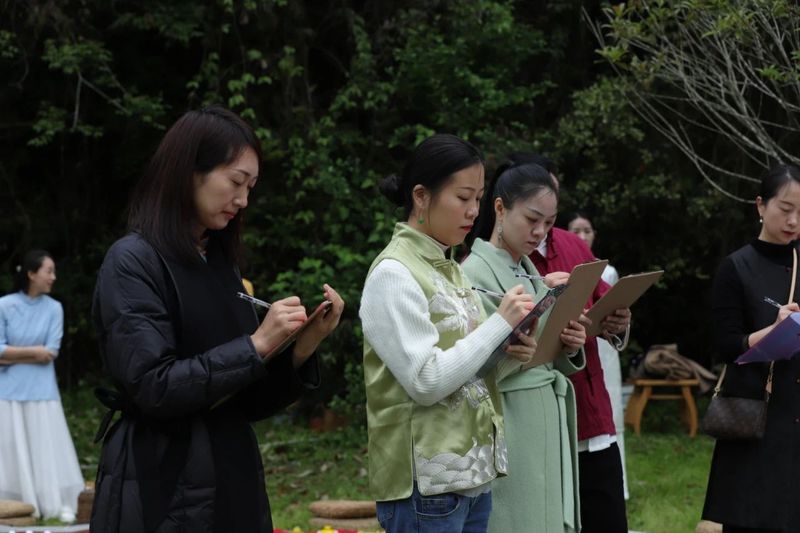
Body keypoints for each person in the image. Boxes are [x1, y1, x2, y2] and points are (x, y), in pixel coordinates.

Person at [90, 105, 344, 533]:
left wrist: (302, 346)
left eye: (251, 186)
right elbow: (154, 386)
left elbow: (245, 401)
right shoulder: (132, 261)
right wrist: (257, 345)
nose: (243, 199)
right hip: (162, 482)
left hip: (230, 475)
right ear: (189, 171)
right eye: (236, 182)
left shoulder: (218, 261)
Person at [360, 134, 538, 533]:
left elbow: (467, 375)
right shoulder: (393, 273)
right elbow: (425, 381)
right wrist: (499, 324)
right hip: (424, 486)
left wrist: (510, 352)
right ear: (421, 196)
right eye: (463, 197)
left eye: (478, 198)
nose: (474, 211)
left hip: (471, 477)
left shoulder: (451, 267)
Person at [462, 161, 587, 533]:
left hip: (543, 411)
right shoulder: (473, 272)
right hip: (509, 419)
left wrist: (569, 344)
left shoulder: (529, 268)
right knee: (515, 520)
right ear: (500, 208)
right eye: (532, 219)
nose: (540, 232)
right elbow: (470, 363)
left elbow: (542, 354)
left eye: (548, 223)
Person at [510, 153, 632, 532]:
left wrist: (618, 321)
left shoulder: (572, 244)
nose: (543, 226)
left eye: (552, 209)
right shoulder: (502, 259)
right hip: (544, 425)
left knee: (609, 520)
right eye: (535, 214)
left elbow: (606, 304)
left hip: (596, 415)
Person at [702, 163, 800, 532]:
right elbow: (725, 345)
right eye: (785, 209)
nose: (794, 220)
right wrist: (773, 331)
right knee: (753, 518)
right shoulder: (736, 267)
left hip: (796, 412)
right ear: (761, 205)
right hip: (757, 417)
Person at [0, 250, 84, 521]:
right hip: (9, 391)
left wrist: (13, 354)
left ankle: (53, 502)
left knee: (46, 446)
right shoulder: (4, 305)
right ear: (31, 273)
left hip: (43, 391)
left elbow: (51, 351)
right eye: (48, 271)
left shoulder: (54, 308)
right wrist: (33, 353)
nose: (53, 277)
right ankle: (14, 503)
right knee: (11, 449)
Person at [566, 211, 629, 500]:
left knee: (612, 412)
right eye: (575, 230)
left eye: (587, 230)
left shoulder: (607, 271)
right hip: (576, 354)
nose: (581, 236)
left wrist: (620, 319)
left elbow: (615, 305)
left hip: (604, 352)